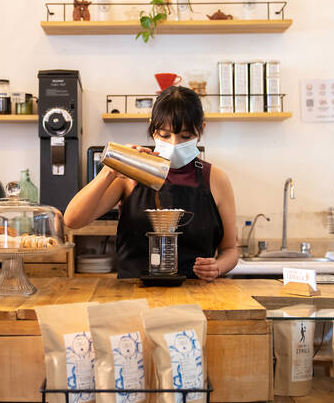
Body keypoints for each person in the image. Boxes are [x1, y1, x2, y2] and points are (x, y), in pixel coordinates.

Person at [64, 86, 238, 281]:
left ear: (201, 130)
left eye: (185, 137)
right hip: (134, 296)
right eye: (165, 135)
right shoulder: (130, 175)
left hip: (197, 296)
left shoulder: (216, 179)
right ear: (153, 129)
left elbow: (230, 249)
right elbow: (72, 220)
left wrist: (218, 267)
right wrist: (110, 171)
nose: (174, 144)